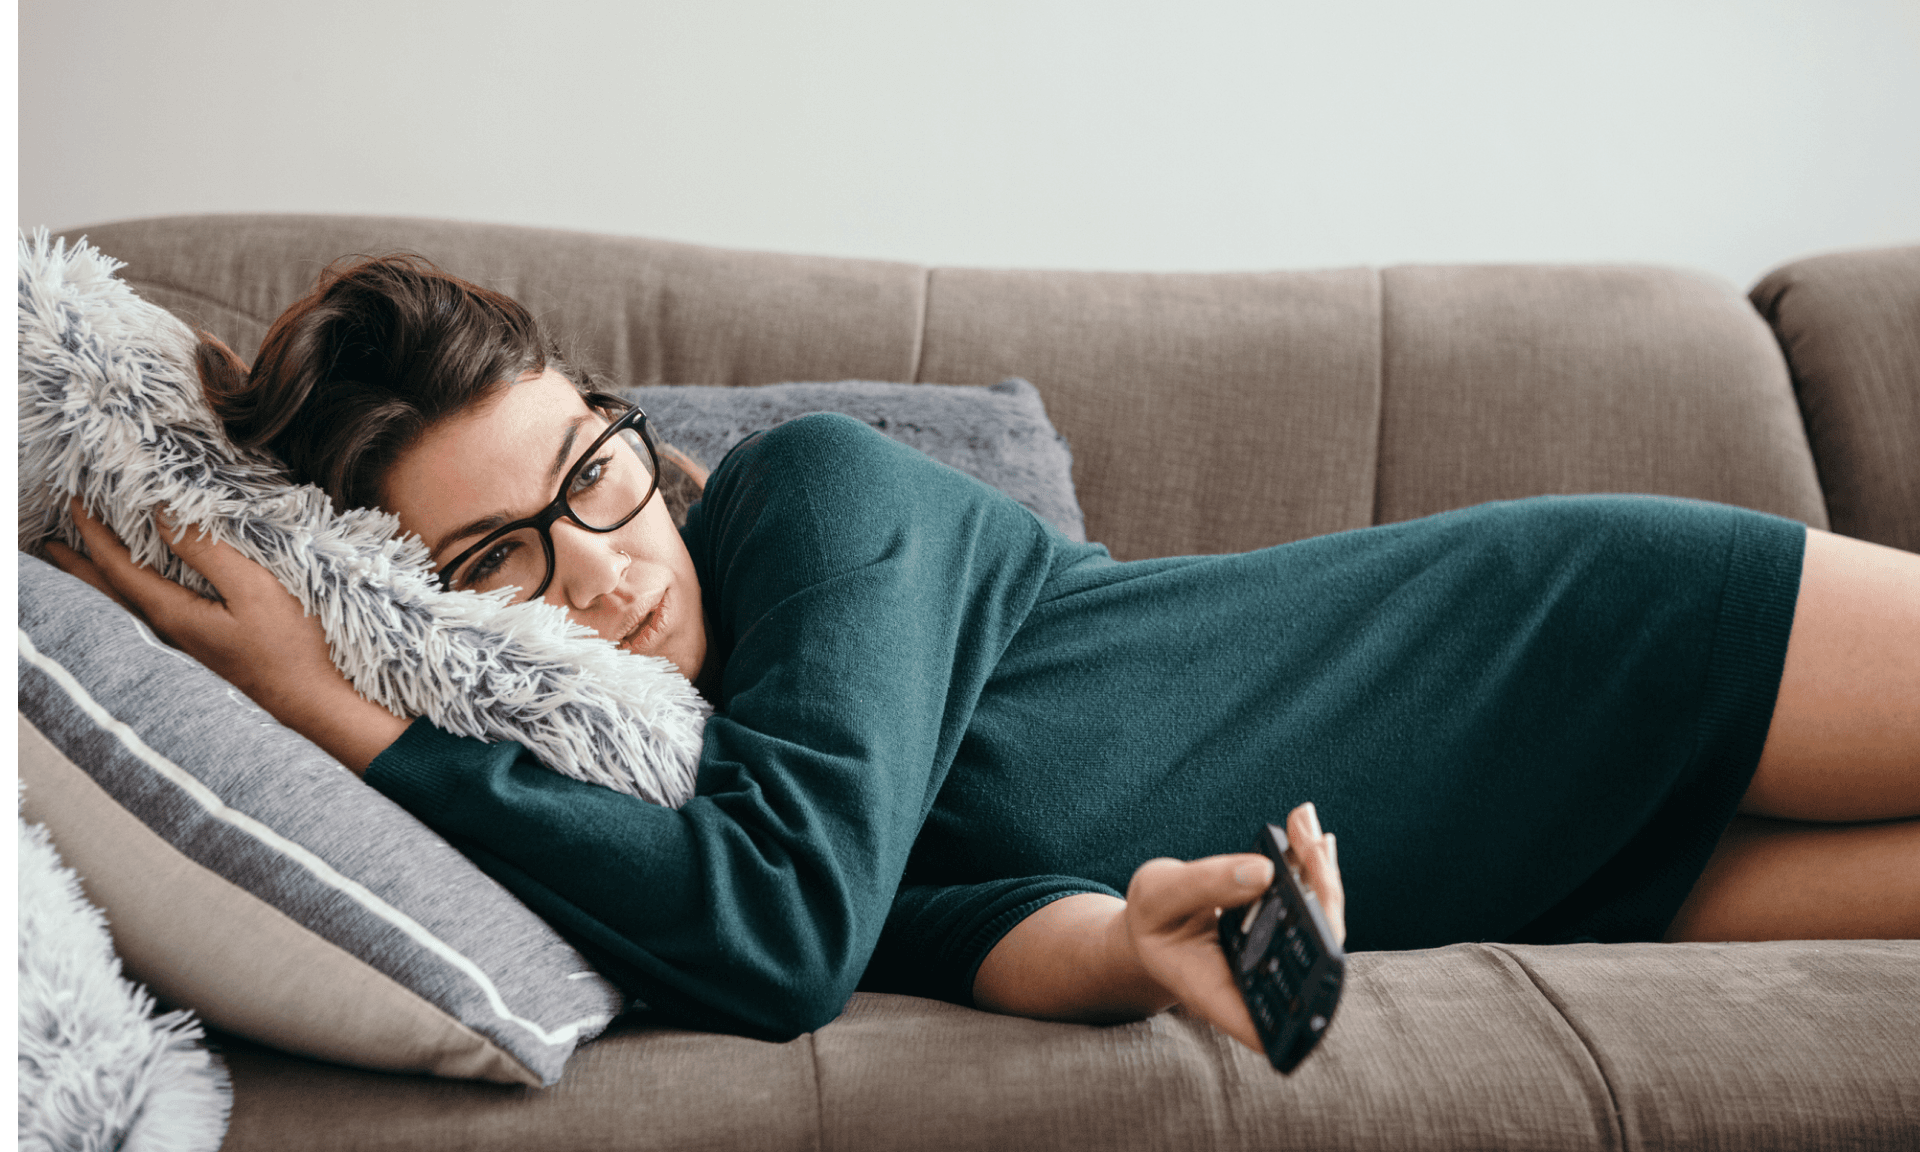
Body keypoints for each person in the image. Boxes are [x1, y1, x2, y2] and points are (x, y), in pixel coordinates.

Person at [50, 255, 1920, 1054]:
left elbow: (778, 944)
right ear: (438, 611)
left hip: (1593, 642)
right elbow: (914, 930)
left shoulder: (811, 502)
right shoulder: (712, 796)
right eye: (501, 561)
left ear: (631, 429)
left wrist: (339, 713)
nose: (605, 572)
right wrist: (1133, 943)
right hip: (1591, 883)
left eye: (595, 474)